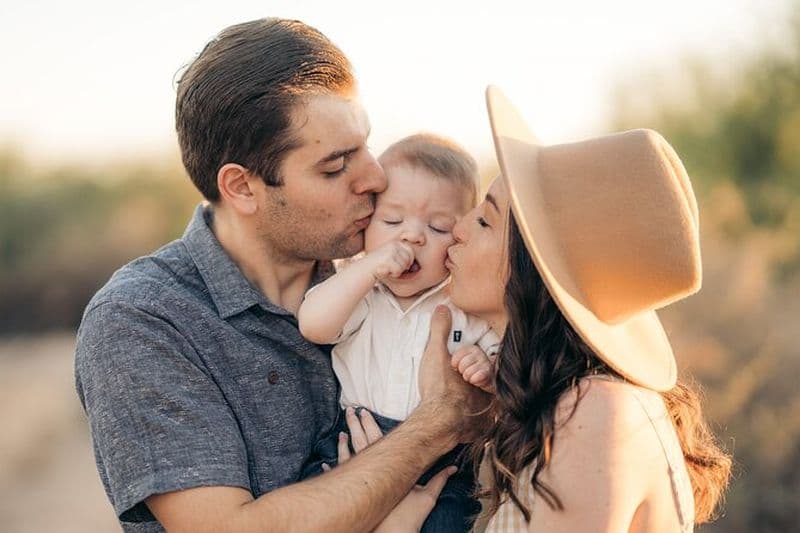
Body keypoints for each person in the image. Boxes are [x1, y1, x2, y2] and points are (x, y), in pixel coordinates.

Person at [73, 18, 487, 532]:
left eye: (365, 147)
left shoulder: (379, 278)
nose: (375, 178)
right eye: (335, 167)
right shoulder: (144, 319)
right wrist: (439, 422)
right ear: (243, 188)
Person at [367, 86, 731, 531]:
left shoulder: (598, 413)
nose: (457, 229)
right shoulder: (563, 403)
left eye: (484, 220)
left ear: (534, 269)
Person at [298, 133, 501, 531]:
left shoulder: (464, 303)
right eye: (392, 221)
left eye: (440, 227)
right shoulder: (361, 291)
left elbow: (502, 361)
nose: (412, 236)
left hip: (445, 461)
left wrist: (486, 365)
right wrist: (366, 267)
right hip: (352, 439)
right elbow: (314, 325)